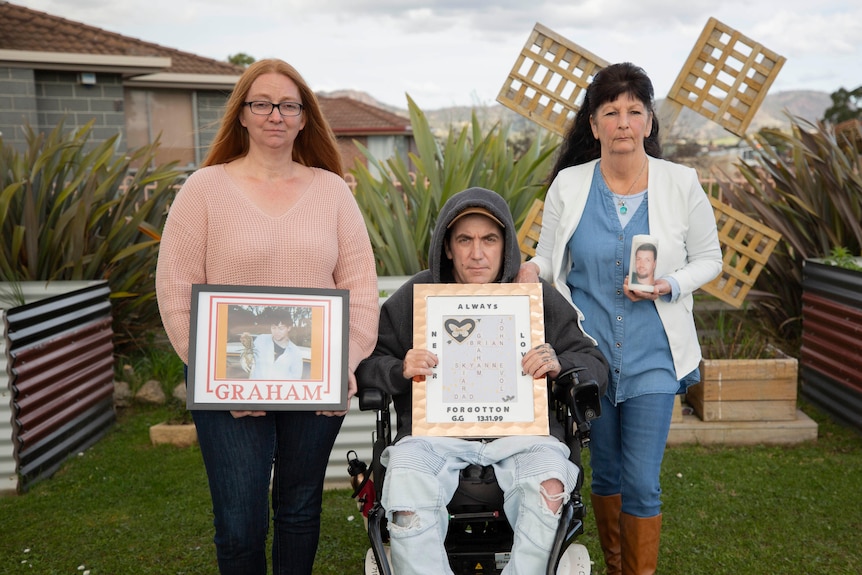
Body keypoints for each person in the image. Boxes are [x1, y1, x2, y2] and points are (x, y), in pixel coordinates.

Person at [155, 58, 379, 575]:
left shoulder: (333, 193)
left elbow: (360, 289)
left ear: (304, 118)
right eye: (262, 103)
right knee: (239, 522)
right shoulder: (203, 190)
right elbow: (176, 292)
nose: (275, 115)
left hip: (313, 378)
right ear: (242, 115)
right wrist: (220, 378)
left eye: (288, 105)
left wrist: (343, 361)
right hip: (227, 381)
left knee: (300, 509)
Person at [517, 62, 722, 575]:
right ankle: (615, 566)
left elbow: (710, 258)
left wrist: (671, 285)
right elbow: (549, 258)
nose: (623, 122)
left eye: (634, 111)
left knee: (643, 479)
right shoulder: (569, 184)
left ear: (649, 122)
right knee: (604, 472)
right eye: (611, 112)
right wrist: (529, 269)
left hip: (656, 353)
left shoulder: (681, 182)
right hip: (589, 355)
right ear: (594, 124)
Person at [356, 187, 609, 574]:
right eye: (465, 240)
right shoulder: (416, 298)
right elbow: (367, 363)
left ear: (505, 245)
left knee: (549, 491)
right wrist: (399, 368)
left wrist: (558, 363)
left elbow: (594, 363)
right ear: (447, 247)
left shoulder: (534, 298)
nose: (477, 253)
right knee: (406, 490)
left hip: (524, 436)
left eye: (489, 239)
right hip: (434, 437)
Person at [249, 307, 304, 381]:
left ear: (289, 328)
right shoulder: (260, 340)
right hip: (256, 390)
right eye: (273, 328)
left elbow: (295, 380)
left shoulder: (296, 353)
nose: (276, 332)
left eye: (281, 328)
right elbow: (247, 360)